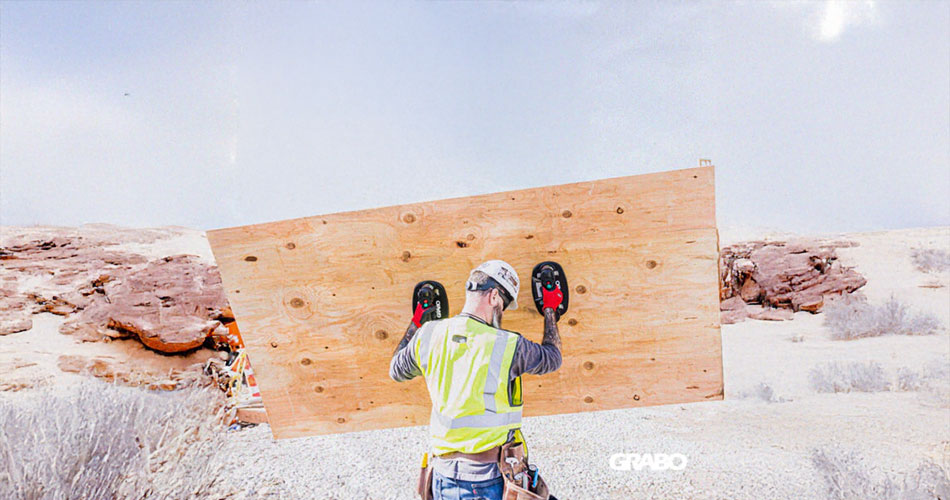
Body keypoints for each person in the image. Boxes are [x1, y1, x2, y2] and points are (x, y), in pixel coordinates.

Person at [390, 260, 563, 500]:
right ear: (494, 296)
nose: (501, 313)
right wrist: (550, 308)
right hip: (485, 481)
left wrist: (418, 321)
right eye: (502, 305)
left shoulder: (427, 335)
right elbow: (552, 358)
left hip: (442, 477)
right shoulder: (506, 345)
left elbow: (396, 370)